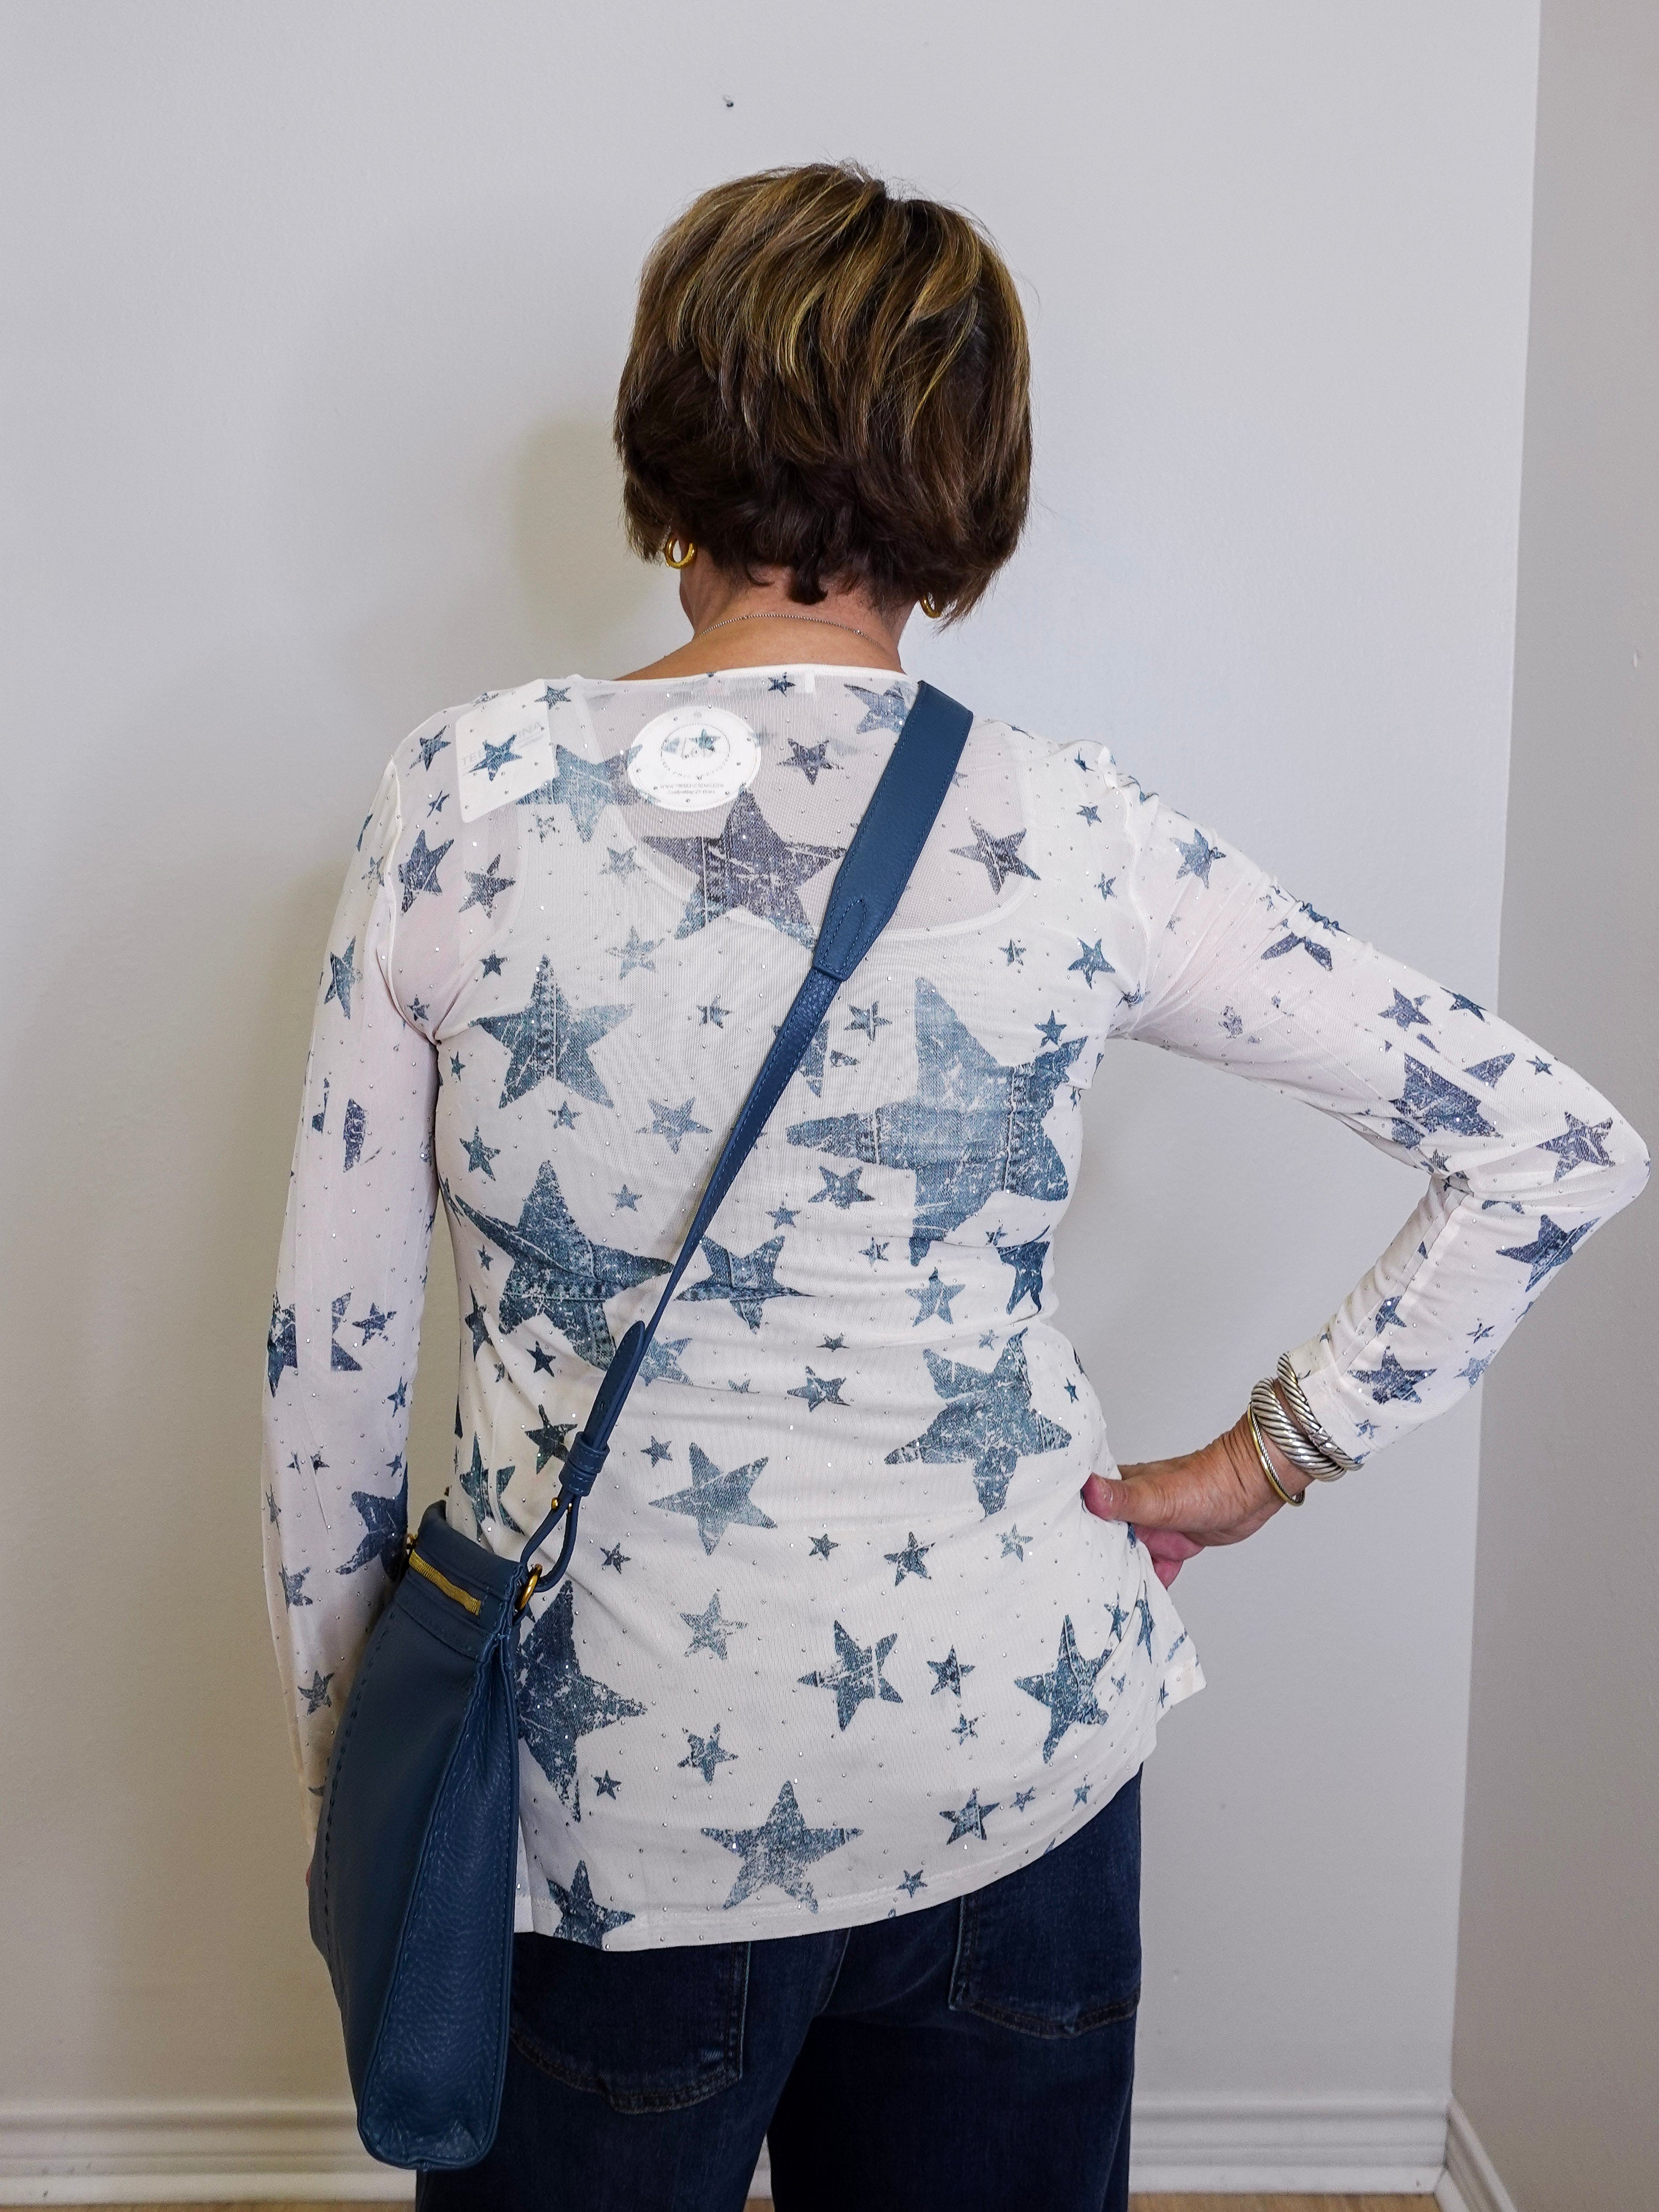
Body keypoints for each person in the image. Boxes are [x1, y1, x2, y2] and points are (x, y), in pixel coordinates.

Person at [261, 163, 1647, 2212]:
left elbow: (333, 1374)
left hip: (601, 1805)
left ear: (668, 443)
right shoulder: (1081, 830)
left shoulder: (466, 797)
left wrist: (364, 1786)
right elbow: (1554, 1135)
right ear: (969, 485)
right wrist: (1263, 1462)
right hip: (1021, 1767)